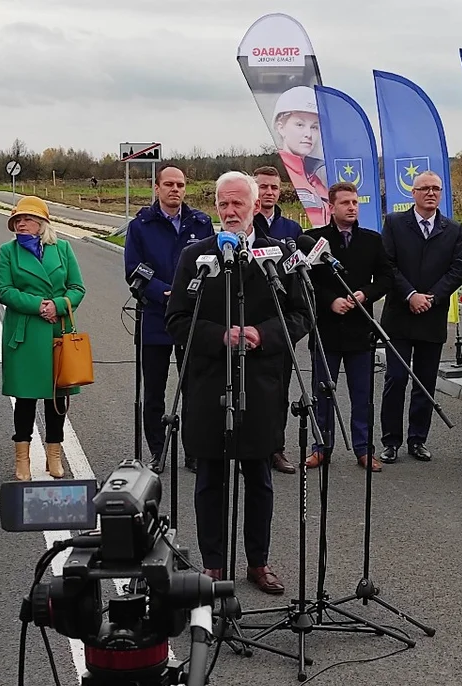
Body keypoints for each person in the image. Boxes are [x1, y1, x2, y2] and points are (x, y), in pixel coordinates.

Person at [166, 171, 311, 595]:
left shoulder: (279, 254)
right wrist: (220, 336)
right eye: (223, 204)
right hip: (209, 383)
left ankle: (258, 562)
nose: (230, 212)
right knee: (210, 477)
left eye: (238, 205)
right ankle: (212, 564)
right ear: (216, 206)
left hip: (261, 385)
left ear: (255, 206)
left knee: (259, 479)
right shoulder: (195, 256)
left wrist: (263, 335)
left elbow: (302, 315)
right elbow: (176, 318)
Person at [124, 164, 214, 472]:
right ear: (157, 188)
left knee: (193, 388)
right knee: (155, 391)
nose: (175, 189)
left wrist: (186, 295)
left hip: (191, 318)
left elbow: (210, 265)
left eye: (181, 184)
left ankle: (194, 450)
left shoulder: (200, 223)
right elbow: (134, 270)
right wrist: (165, 292)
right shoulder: (141, 226)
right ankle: (158, 451)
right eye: (169, 184)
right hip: (155, 318)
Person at [305, 181, 394, 472]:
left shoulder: (371, 240)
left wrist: (364, 295)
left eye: (355, 203)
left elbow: (385, 277)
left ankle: (364, 449)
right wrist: (330, 301)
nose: (352, 207)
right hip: (326, 330)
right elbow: (307, 282)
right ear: (331, 207)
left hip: (360, 330)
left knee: (362, 395)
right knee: (323, 392)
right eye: (345, 203)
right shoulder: (314, 240)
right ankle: (322, 447)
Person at [379, 170, 462, 463]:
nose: (431, 193)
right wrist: (410, 295)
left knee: (425, 382)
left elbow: (458, 270)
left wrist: (432, 297)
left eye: (436, 189)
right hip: (400, 315)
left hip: (432, 316)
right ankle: (390, 440)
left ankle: (418, 439)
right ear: (413, 193)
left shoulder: (452, 228)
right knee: (396, 379)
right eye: (425, 188)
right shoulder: (394, 223)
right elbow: (387, 264)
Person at [0, 196, 86, 481]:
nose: (21, 224)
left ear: (42, 223)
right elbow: (4, 290)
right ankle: (22, 457)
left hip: (57, 331)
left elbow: (76, 287)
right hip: (24, 333)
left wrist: (57, 306)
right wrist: (38, 305)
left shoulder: (62, 249)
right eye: (17, 220)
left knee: (56, 398)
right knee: (25, 398)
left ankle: (54, 454)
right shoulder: (8, 251)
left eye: (27, 219)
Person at [253, 165, 303, 474]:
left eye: (273, 187)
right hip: (250, 321)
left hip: (281, 325)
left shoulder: (292, 230)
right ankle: (249, 447)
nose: (269, 192)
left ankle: (276, 448)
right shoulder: (245, 223)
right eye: (263, 187)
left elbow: (298, 276)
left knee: (279, 392)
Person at [271, 85, 330, 226]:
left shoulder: (316, 177)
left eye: (314, 127)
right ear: (281, 127)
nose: (308, 134)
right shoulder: (279, 174)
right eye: (299, 124)